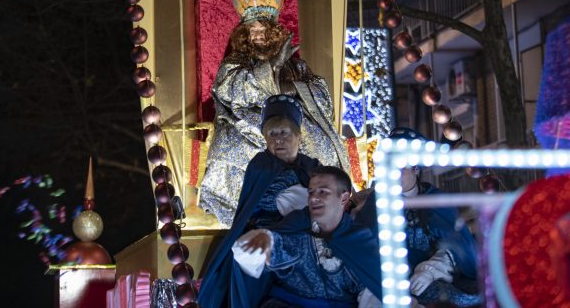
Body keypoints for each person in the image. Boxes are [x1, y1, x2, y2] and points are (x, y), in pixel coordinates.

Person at [199, 0, 350, 227]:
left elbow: (321, 95)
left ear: (273, 33)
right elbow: (229, 88)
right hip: (249, 123)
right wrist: (270, 72)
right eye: (252, 30)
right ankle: (250, 207)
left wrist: (292, 87)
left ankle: (317, 202)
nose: (258, 35)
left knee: (317, 141)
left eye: (263, 30)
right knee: (234, 142)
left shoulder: (295, 65)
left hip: (293, 122)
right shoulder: (236, 62)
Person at [198, 94, 322, 308]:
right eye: (272, 134)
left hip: (306, 237)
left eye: (284, 133)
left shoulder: (312, 166)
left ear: (298, 136)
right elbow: (254, 206)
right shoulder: (261, 165)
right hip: (264, 236)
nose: (278, 140)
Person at [357, 128, 481, 307]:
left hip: (433, 280)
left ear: (415, 168)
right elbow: (362, 247)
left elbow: (456, 246)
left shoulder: (436, 201)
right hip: (383, 283)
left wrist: (430, 271)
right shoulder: (374, 203)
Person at [231, 166, 383, 308]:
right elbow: (273, 244)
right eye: (311, 192)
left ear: (344, 198)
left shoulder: (360, 240)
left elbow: (374, 289)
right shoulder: (298, 223)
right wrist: (265, 239)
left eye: (323, 192)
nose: (313, 198)